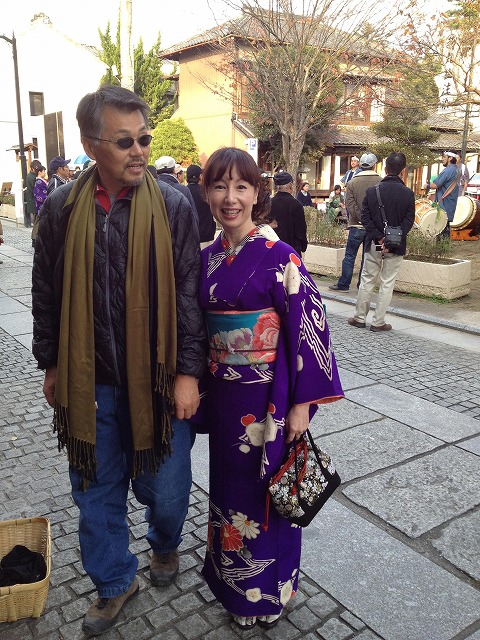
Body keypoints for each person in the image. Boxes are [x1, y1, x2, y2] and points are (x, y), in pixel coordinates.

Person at [32, 85, 206, 637]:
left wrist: (187, 373)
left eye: (144, 139)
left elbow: (189, 294)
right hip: (91, 383)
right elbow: (46, 290)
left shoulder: (174, 206)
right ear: (91, 145)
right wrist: (52, 364)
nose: (139, 151)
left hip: (157, 380)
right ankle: (113, 581)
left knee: (167, 492)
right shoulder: (61, 208)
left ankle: (164, 542)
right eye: (125, 141)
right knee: (95, 492)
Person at [195, 147, 344, 630]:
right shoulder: (204, 259)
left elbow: (310, 329)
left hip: (269, 401)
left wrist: (301, 403)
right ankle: (236, 591)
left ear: (257, 192)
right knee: (228, 492)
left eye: (241, 186)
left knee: (270, 494)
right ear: (206, 193)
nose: (230, 198)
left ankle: (272, 592)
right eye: (220, 186)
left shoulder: (281, 258)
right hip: (225, 399)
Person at [348, 152, 415, 332]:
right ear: (403, 171)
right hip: (396, 245)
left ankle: (359, 317)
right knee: (387, 282)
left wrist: (379, 237)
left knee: (367, 279)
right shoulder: (408, 194)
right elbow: (409, 221)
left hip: (374, 242)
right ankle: (378, 322)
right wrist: (394, 237)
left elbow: (365, 218)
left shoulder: (373, 191)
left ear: (385, 169)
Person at [329, 153, 380, 291]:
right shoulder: (380, 182)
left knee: (350, 255)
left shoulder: (352, 183)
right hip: (373, 227)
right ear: (374, 165)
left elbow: (350, 205)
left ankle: (344, 284)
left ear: (360, 165)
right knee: (366, 256)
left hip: (356, 225)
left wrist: (362, 218)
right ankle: (362, 285)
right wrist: (369, 220)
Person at [269, 171, 308, 255]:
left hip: (272, 250)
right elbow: (301, 230)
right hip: (292, 251)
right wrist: (303, 246)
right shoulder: (296, 205)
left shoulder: (269, 204)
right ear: (290, 185)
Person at [155, 155, 198, 223]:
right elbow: (193, 218)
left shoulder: (151, 188)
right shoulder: (183, 190)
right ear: (173, 170)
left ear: (157, 171)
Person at [426, 151, 460, 237]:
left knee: (441, 231)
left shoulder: (448, 170)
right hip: (450, 204)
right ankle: (445, 245)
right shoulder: (456, 170)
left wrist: (427, 186)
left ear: (450, 158)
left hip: (444, 205)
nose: (442, 159)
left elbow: (435, 185)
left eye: (444, 157)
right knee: (445, 229)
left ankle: (442, 245)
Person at [186, 164, 216, 248]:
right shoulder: (205, 192)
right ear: (200, 176)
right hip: (206, 235)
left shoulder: (184, 191)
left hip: (190, 237)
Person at [31, 165, 48, 247]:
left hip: (40, 204)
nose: (45, 173)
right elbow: (39, 195)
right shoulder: (39, 182)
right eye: (44, 171)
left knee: (38, 222)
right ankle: (35, 238)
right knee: (38, 222)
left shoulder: (40, 181)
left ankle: (35, 238)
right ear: (39, 172)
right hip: (41, 205)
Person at [26, 159, 43, 228]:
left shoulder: (30, 175)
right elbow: (35, 189)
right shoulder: (32, 177)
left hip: (33, 200)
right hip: (34, 201)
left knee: (36, 220)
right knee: (37, 220)